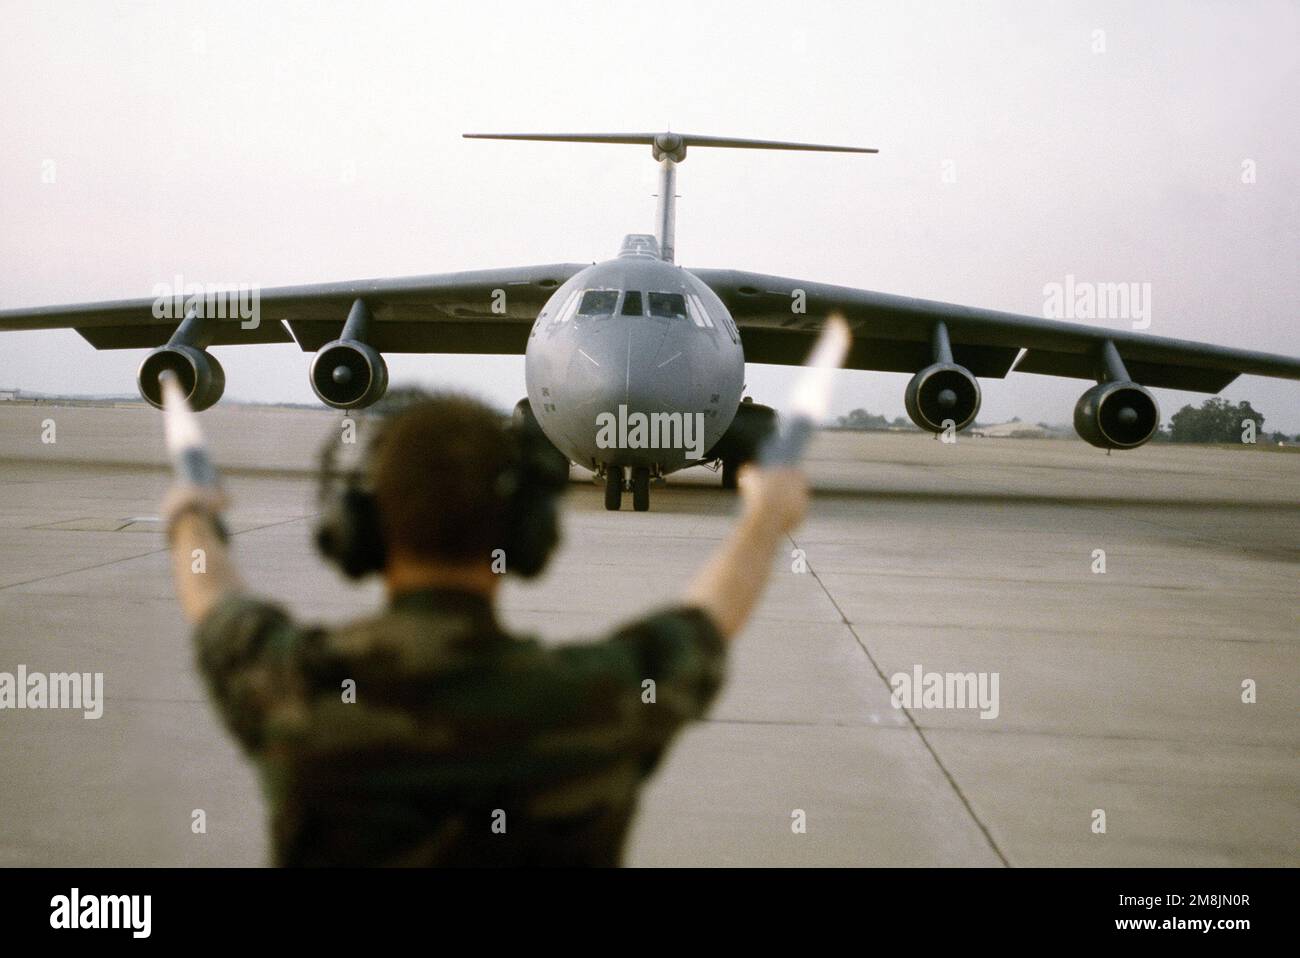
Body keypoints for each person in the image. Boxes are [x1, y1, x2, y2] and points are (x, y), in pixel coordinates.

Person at [164, 392, 807, 866]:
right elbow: (710, 618)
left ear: (361, 531)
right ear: (526, 534)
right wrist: (765, 518)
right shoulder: (604, 701)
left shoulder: (293, 690)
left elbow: (215, 600)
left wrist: (191, 513)